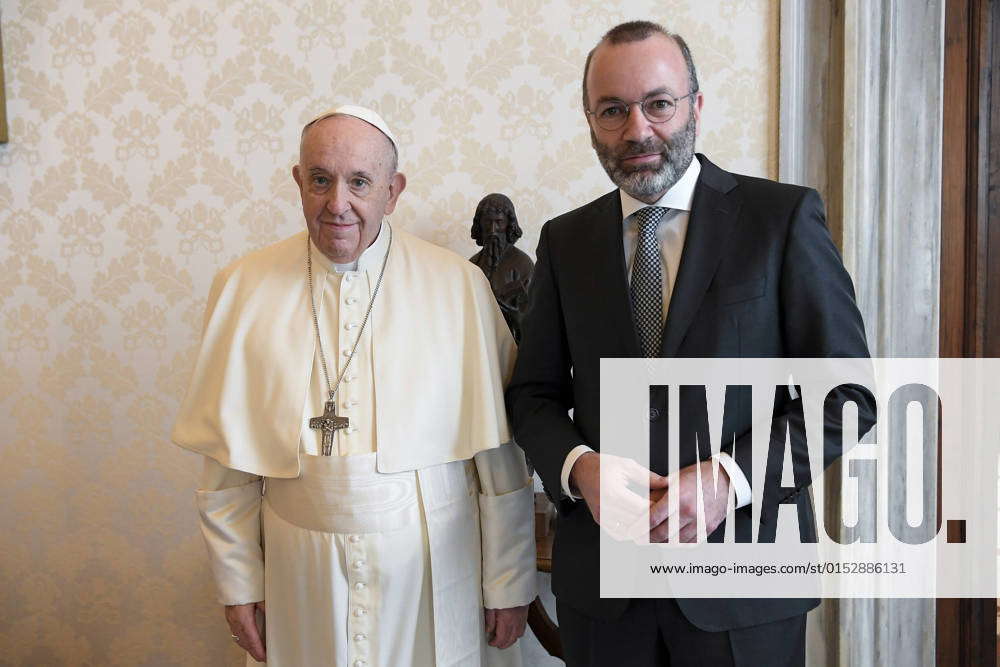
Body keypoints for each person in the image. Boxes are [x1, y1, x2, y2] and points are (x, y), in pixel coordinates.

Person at [506, 21, 875, 667]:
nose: (638, 130)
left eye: (658, 103)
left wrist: (728, 479)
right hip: (604, 592)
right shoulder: (565, 241)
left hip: (746, 585)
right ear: (591, 121)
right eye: (613, 110)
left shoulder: (781, 220)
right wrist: (577, 468)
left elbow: (848, 396)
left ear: (696, 106)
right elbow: (533, 395)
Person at [172, 105, 535, 666]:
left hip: (433, 566)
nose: (337, 203)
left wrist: (508, 581)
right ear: (298, 181)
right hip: (299, 575)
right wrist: (238, 581)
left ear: (393, 191)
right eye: (320, 179)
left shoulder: (457, 285)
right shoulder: (243, 287)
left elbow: (498, 453)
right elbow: (229, 467)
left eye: (359, 182)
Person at [469, 193, 534, 342]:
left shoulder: (523, 265)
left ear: (509, 225)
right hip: (480, 342)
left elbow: (534, 317)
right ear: (480, 224)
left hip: (512, 344)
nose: (493, 230)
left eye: (499, 222)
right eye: (487, 222)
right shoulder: (472, 265)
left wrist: (516, 315)